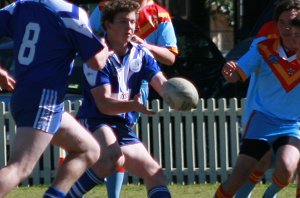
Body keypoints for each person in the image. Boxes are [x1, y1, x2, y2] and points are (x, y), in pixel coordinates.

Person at [0, 0, 112, 197]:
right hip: (45, 98)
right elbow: (96, 62)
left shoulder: (19, 6)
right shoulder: (70, 13)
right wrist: (104, 47)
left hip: (30, 95)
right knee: (20, 167)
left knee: (89, 149)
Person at [66, 0, 171, 198]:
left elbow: (161, 84)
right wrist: (133, 105)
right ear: (108, 25)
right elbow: (104, 105)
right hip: (95, 120)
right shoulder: (97, 56)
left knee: (155, 173)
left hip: (120, 124)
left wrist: (175, 94)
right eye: (123, 22)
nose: (130, 27)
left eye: (132, 22)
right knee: (113, 158)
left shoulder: (142, 53)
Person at [214, 0, 300, 197]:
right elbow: (237, 74)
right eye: (281, 22)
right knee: (239, 176)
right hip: (262, 119)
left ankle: (269, 195)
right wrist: (229, 72)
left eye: (292, 22)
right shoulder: (264, 48)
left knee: (287, 168)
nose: (287, 28)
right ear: (275, 24)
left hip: (293, 123)